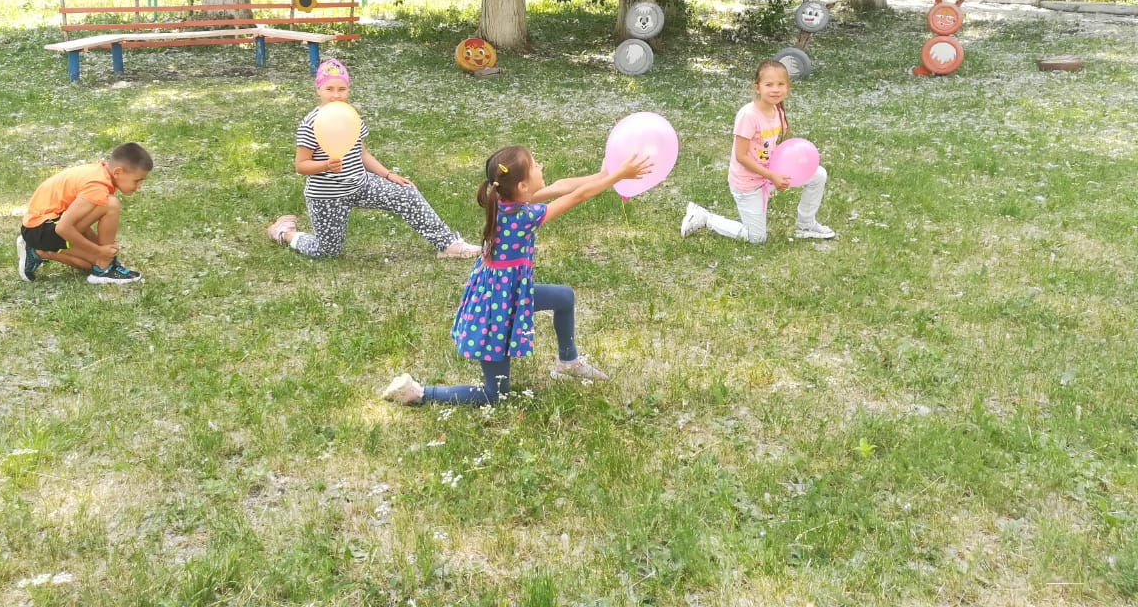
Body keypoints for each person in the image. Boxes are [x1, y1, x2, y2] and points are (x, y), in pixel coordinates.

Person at [381, 144, 652, 407]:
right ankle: (419, 393)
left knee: (564, 298)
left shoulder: (504, 201)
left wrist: (603, 175)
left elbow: (561, 187)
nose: (541, 166)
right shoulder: (524, 215)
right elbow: (577, 196)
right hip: (495, 309)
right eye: (535, 165)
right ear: (522, 186)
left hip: (510, 295)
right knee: (495, 394)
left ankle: (568, 362)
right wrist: (618, 176)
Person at [268, 58, 481, 259]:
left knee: (405, 192)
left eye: (342, 89)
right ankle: (285, 233)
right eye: (329, 89)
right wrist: (326, 165)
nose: (336, 95)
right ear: (318, 90)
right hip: (327, 196)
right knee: (327, 251)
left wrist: (388, 175)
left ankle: (447, 245)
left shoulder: (351, 116)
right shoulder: (310, 124)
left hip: (361, 185)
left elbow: (362, 154)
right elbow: (301, 165)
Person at [681, 59, 834, 243]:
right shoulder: (748, 115)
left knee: (818, 175)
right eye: (769, 84)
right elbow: (741, 156)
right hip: (748, 183)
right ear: (757, 87)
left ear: (788, 87)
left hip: (768, 174)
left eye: (781, 84)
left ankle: (806, 225)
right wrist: (772, 176)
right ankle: (706, 218)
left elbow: (771, 148)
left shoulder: (777, 110)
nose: (775, 89)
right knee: (756, 238)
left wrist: (786, 167)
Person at [17, 142, 153, 284]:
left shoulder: (100, 173)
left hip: (40, 227)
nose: (139, 186)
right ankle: (105, 268)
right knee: (111, 204)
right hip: (41, 228)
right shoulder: (97, 186)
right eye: (137, 181)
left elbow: (78, 219)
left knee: (92, 264)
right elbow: (63, 228)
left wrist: (100, 252)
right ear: (118, 172)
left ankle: (38, 251)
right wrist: (98, 251)